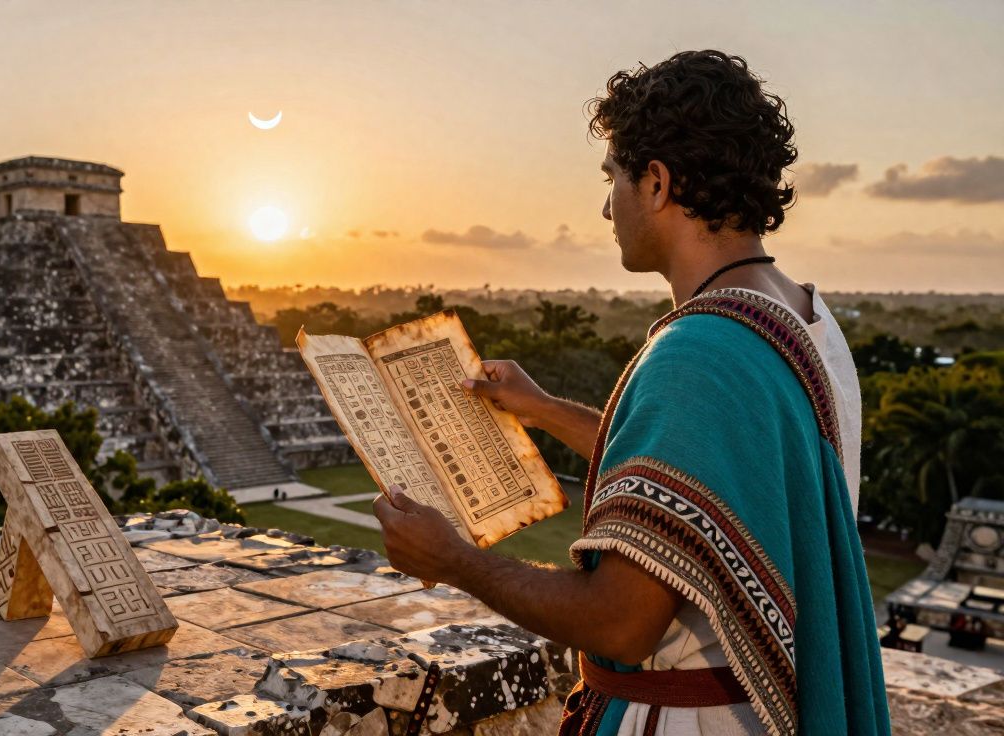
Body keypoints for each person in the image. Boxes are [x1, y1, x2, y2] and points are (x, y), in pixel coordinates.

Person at [372, 50, 889, 735]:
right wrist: (547, 409)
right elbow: (706, 473)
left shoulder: (699, 353)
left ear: (655, 183)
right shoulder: (807, 321)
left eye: (611, 177)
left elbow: (619, 622)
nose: (604, 202)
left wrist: (458, 562)